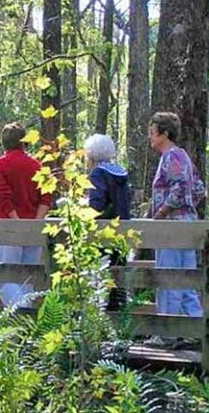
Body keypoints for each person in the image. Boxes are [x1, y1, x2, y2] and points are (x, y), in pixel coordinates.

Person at [148, 112, 204, 321]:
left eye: (153, 132)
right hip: (185, 225)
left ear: (164, 134)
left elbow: (181, 187)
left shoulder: (172, 156)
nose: (150, 137)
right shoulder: (181, 156)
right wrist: (188, 210)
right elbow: (198, 188)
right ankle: (193, 328)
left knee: (169, 278)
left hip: (172, 227)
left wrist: (162, 212)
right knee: (185, 279)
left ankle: (168, 332)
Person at [0, 122, 51, 307]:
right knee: (27, 278)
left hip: (8, 228)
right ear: (24, 142)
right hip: (32, 228)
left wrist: (18, 224)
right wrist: (34, 224)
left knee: (5, 276)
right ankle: (24, 326)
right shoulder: (36, 165)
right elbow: (45, 198)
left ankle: (19, 315)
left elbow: (3, 197)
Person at [84, 133, 131, 311]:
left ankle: (104, 315)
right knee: (118, 271)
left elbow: (97, 204)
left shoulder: (98, 173)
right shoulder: (118, 171)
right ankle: (120, 312)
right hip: (122, 229)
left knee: (103, 273)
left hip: (104, 230)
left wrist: (82, 211)